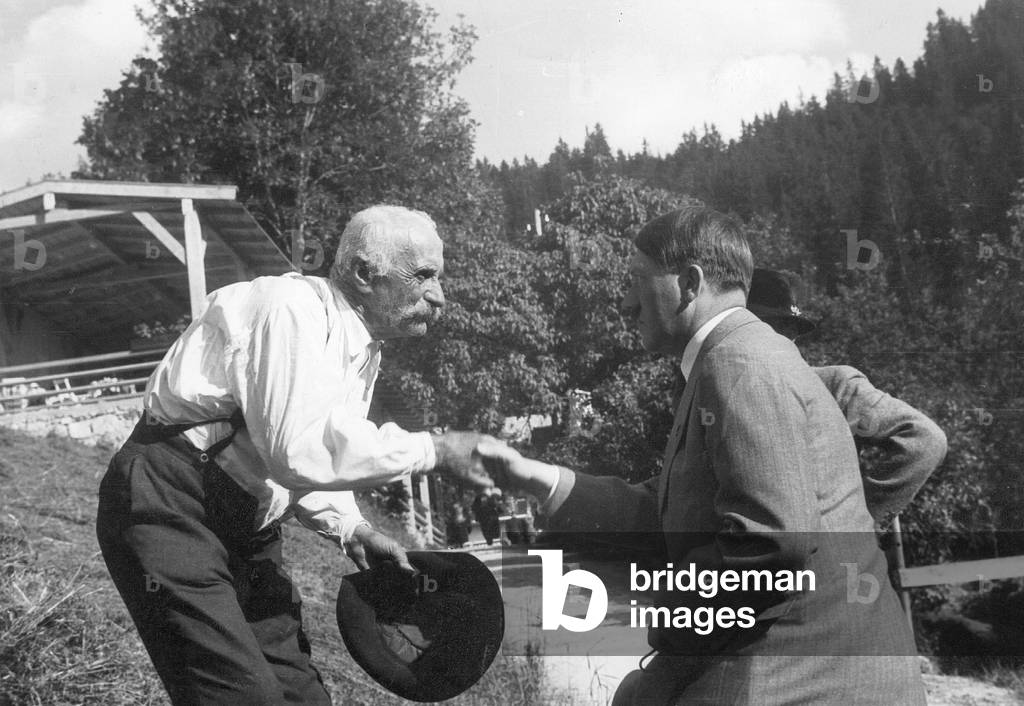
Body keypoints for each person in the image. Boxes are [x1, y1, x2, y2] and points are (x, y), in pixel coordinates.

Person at [479, 206, 926, 705]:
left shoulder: (738, 366)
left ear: (689, 283)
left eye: (636, 280)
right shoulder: (730, 362)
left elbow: (769, 547)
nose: (627, 303)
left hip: (797, 680)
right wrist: (538, 477)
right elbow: (668, 506)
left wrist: (662, 612)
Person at [96, 205, 493, 705]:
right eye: (424, 276)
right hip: (167, 504)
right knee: (241, 696)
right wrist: (435, 450)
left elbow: (316, 451)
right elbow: (294, 451)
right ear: (364, 273)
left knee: (301, 694)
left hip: (244, 525)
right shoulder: (290, 309)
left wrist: (353, 529)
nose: (439, 296)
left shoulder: (360, 349)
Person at [748, 267, 947, 522]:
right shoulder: (722, 393)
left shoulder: (834, 386)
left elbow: (925, 440)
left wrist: (860, 519)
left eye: (787, 329)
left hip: (825, 557)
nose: (784, 338)